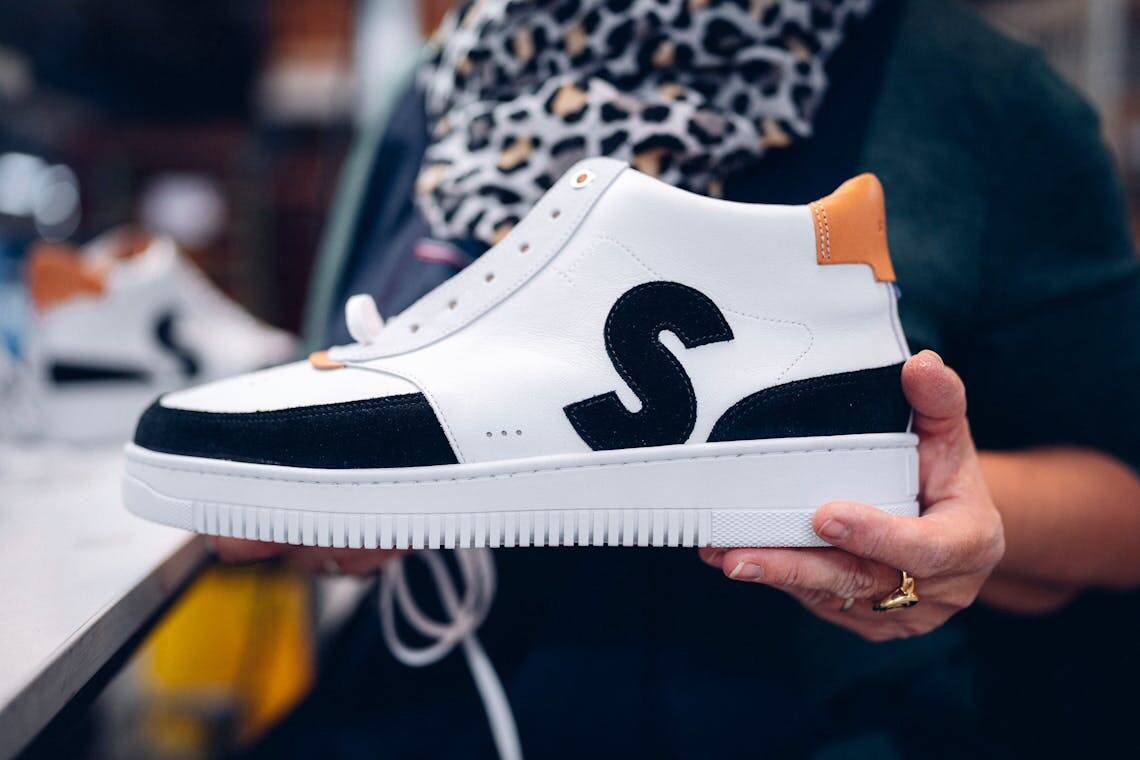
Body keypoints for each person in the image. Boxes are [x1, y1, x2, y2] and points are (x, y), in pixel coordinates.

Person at [219, 1, 1140, 756]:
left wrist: (924, 514)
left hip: (810, 727)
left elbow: (1122, 511)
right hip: (415, 712)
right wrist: (311, 499)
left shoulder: (979, 98)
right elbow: (334, 379)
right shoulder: (438, 87)